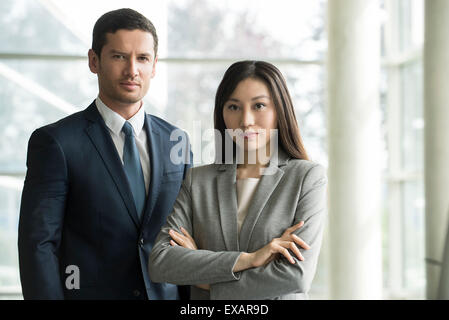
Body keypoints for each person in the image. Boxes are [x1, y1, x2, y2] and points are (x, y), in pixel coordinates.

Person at [18, 8, 192, 300]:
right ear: (94, 61)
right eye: (119, 56)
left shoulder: (177, 141)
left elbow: (187, 235)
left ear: (154, 66)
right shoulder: (56, 143)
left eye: (142, 58)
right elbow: (39, 245)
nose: (132, 70)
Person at [148, 60, 327, 300]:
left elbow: (296, 276)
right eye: (233, 107)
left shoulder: (306, 178)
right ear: (222, 113)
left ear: (280, 111)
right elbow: (161, 261)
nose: (245, 120)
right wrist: (250, 259)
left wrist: (207, 282)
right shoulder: (198, 180)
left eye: (259, 106)